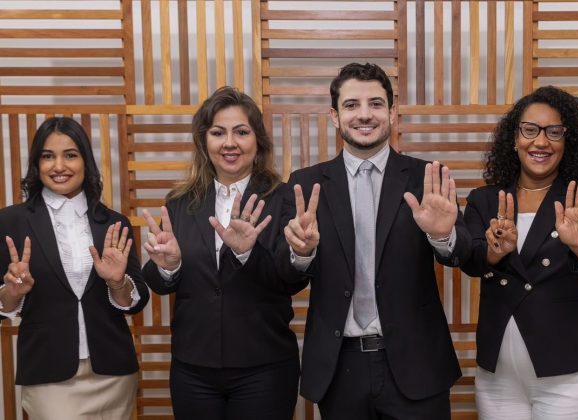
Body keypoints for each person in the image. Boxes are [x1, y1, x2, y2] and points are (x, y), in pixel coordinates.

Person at [277, 62, 471, 419]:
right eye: (351, 105)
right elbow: (285, 278)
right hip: (339, 366)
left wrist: (442, 234)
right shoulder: (305, 184)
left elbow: (464, 254)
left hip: (417, 362)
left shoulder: (426, 177)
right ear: (335, 116)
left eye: (376, 104)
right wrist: (301, 253)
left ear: (392, 113)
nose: (364, 114)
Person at [141, 86, 305, 419]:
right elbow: (160, 282)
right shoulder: (179, 203)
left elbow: (290, 280)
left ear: (257, 141)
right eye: (218, 133)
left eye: (241, 132)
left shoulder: (283, 198)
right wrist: (170, 266)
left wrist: (247, 254)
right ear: (204, 142)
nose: (230, 143)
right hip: (193, 369)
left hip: (265, 367)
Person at [461, 86, 578, 419]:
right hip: (498, 380)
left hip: (571, 375)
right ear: (514, 138)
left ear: (567, 140)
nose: (541, 142)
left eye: (554, 132)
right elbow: (469, 261)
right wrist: (493, 254)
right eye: (530, 130)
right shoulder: (484, 200)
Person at [0, 116, 149, 419]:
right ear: (36, 164)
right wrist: (13, 292)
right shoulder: (9, 222)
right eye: (47, 156)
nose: (59, 166)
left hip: (113, 371)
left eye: (70, 155)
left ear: (85, 162)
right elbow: (4, 305)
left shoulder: (114, 223)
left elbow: (136, 301)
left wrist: (118, 283)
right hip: (48, 372)